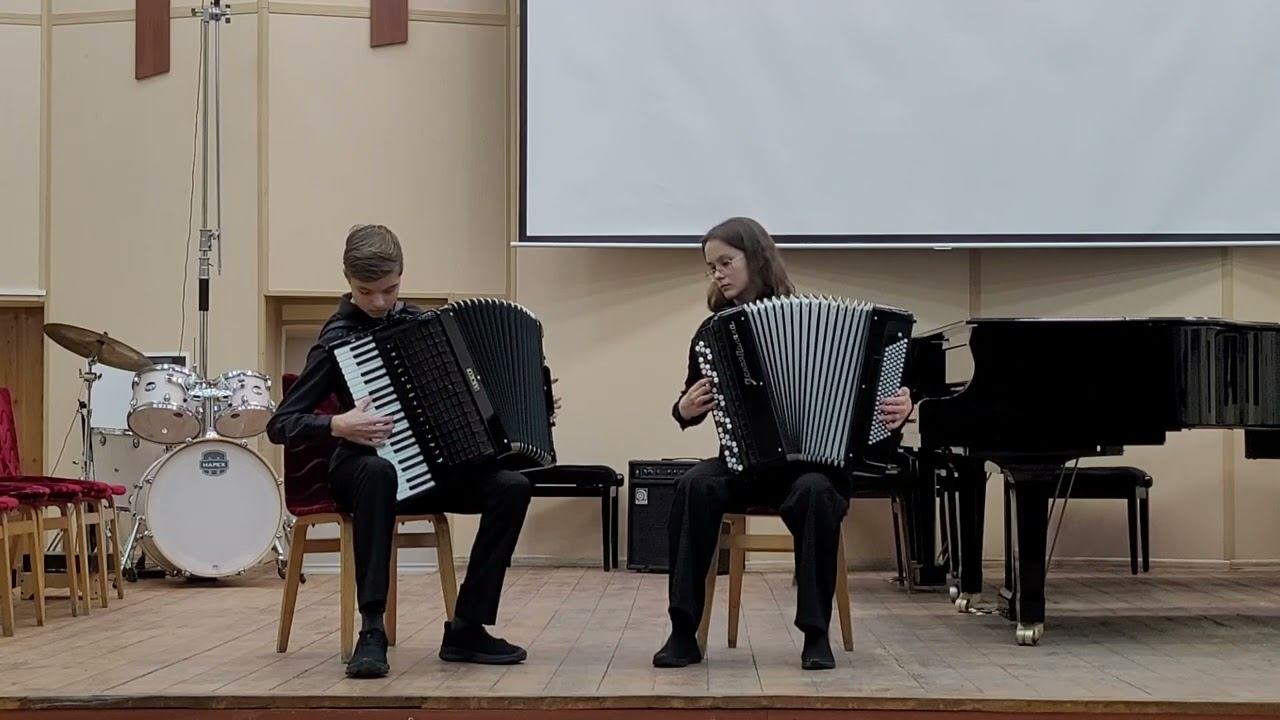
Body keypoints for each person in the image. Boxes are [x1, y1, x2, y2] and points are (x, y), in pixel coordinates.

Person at [267, 224, 538, 678]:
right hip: (360, 471)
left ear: (401, 277)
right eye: (366, 291)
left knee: (511, 487)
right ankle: (372, 630)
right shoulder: (337, 339)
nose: (379, 302)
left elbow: (478, 399)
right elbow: (281, 424)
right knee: (380, 473)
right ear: (348, 282)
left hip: (432, 472)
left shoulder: (424, 325)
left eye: (389, 290)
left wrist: (535, 402)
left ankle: (467, 628)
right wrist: (337, 424)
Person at [652, 217, 914, 671]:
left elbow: (881, 396)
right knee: (694, 484)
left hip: (815, 468)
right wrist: (684, 408)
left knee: (815, 493)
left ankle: (816, 634)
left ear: (755, 258)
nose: (718, 274)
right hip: (745, 466)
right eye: (712, 267)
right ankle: (682, 632)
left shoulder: (821, 324)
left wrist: (901, 406)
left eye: (726, 262)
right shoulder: (714, 333)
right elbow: (689, 404)